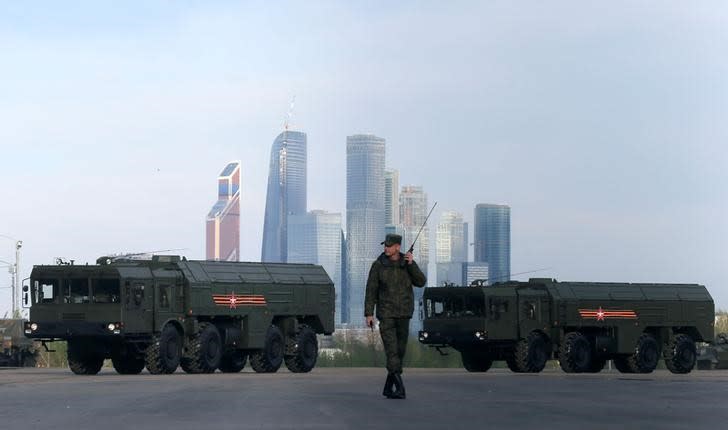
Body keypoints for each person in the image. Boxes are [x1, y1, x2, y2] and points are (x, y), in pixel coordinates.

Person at [365, 233, 427, 399]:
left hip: (404, 314)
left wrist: (412, 264)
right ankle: (400, 388)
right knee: (392, 351)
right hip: (386, 314)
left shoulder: (407, 263)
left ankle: (387, 387)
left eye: (389, 245)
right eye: (385, 245)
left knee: (400, 352)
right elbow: (371, 290)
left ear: (397, 247)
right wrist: (369, 313)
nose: (386, 248)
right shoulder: (378, 265)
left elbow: (421, 281)